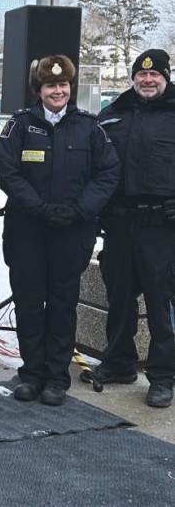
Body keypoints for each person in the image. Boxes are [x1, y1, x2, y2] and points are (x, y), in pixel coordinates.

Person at [0, 55, 119, 406]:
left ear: (70, 88)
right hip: (27, 230)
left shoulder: (89, 127)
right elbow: (7, 170)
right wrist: (37, 207)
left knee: (63, 304)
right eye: (51, 85)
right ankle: (32, 374)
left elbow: (107, 173)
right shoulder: (20, 126)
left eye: (63, 85)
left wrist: (81, 210)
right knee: (30, 302)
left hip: (72, 230)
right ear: (40, 89)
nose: (58, 90)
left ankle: (56, 377)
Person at [88, 49, 175, 408]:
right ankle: (119, 362)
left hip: (162, 226)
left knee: (160, 302)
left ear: (166, 77)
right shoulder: (111, 114)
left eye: (155, 75)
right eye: (142, 74)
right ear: (133, 76)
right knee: (119, 298)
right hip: (119, 223)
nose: (148, 80)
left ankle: (162, 376)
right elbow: (93, 166)